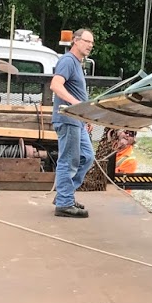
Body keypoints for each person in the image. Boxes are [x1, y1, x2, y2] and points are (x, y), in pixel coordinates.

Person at [49, 27, 96, 218]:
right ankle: (64, 203)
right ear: (76, 41)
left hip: (77, 121)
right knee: (69, 161)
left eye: (92, 43)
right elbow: (55, 85)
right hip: (67, 119)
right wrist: (77, 104)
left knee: (87, 156)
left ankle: (64, 194)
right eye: (87, 41)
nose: (90, 46)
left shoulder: (78, 63)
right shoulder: (67, 61)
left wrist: (85, 117)